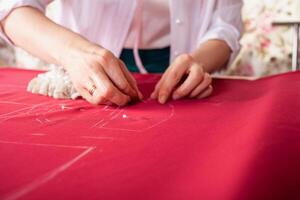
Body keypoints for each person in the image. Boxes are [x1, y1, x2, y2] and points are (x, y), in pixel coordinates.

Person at [0, 0, 243, 106]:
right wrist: (75, 53)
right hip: (83, 77)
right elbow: (10, 8)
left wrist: (197, 62)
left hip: (177, 72)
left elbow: (225, 27)